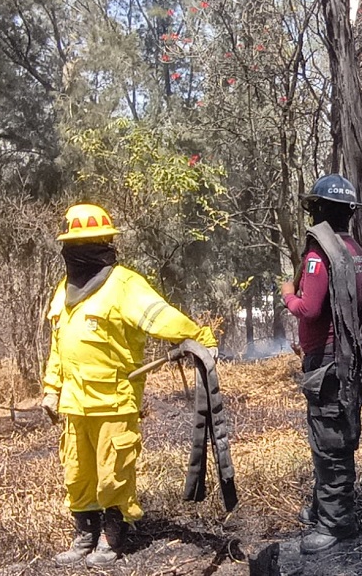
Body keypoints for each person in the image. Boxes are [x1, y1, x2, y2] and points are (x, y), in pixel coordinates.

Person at [40, 203, 218, 568]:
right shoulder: (64, 289)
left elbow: (161, 316)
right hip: (74, 403)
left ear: (106, 242)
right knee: (77, 473)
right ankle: (84, 535)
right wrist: (51, 388)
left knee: (114, 473)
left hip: (114, 401)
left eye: (90, 241)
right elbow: (60, 344)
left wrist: (199, 337)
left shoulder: (124, 284)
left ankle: (112, 534)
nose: (81, 249)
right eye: (76, 243)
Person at [280, 174, 362, 554]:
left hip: (329, 365)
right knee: (337, 434)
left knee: (329, 441)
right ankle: (325, 507)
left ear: (318, 210)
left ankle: (336, 524)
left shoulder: (320, 256)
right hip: (349, 359)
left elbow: (310, 308)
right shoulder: (357, 250)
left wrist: (288, 295)